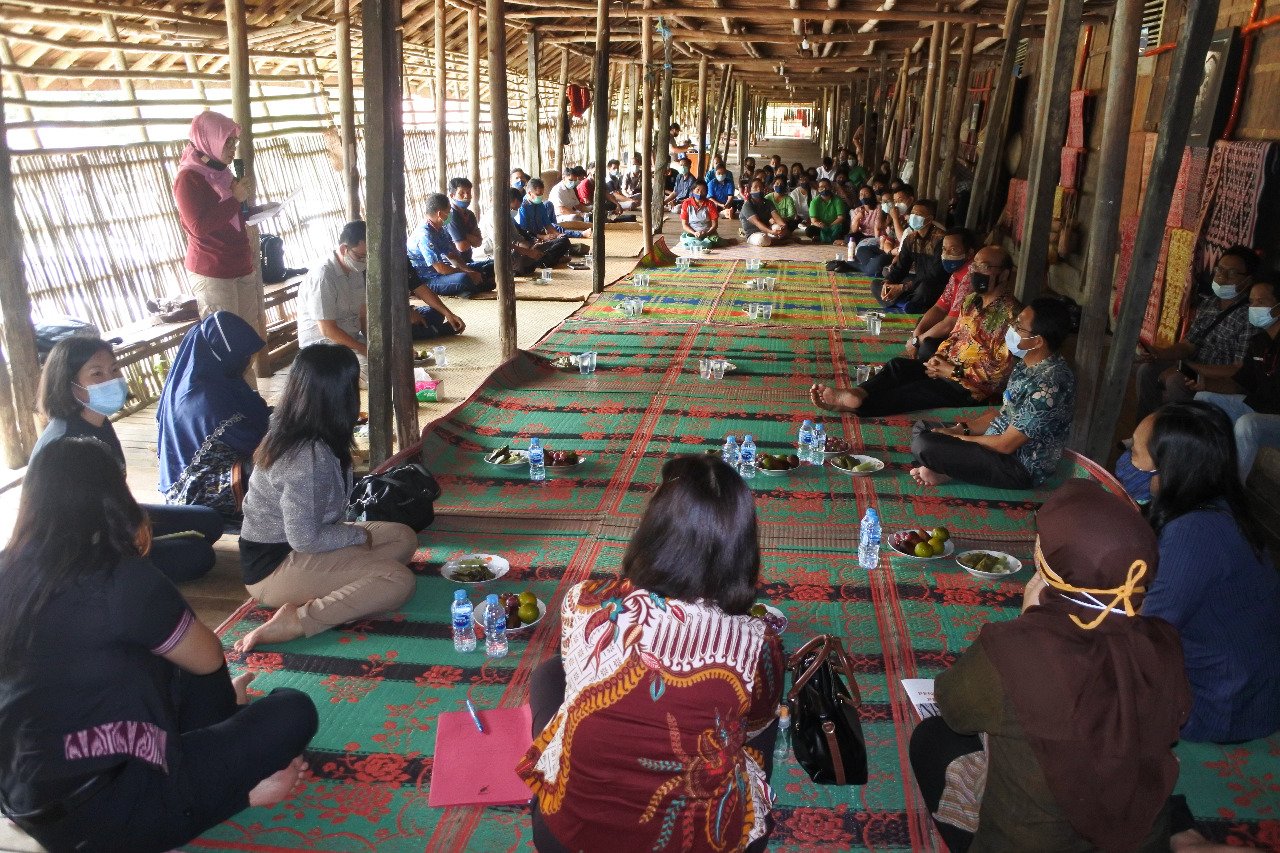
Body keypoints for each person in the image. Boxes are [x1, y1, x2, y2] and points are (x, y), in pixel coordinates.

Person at [0, 438, 318, 853]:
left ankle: (218, 736)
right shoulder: (122, 578)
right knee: (291, 708)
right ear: (115, 498)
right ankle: (237, 794)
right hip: (106, 816)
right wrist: (237, 779)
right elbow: (206, 659)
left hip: (25, 796)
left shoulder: (8, 570)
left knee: (162, 660)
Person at [517, 455, 784, 853]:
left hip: (567, 838)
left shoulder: (585, 601)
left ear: (652, 530)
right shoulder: (757, 643)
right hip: (702, 843)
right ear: (741, 549)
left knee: (549, 675)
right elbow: (754, 729)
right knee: (761, 724)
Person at [909, 478, 1190, 852]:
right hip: (1134, 837)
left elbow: (954, 707)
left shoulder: (1015, 650)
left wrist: (1028, 624)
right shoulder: (1163, 642)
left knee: (932, 738)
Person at [234, 344, 419, 652]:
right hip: (274, 566)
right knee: (398, 581)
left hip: (305, 543)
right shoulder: (305, 457)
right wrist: (354, 535)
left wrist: (351, 538)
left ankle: (344, 581)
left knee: (403, 537)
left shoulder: (307, 429)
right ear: (340, 397)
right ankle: (297, 620)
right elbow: (304, 539)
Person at [1127, 401, 1280, 743]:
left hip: (1221, 704)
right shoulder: (1216, 505)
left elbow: (1148, 631)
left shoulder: (1195, 531)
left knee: (1078, 675)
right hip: (1250, 691)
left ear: (1170, 468)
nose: (1128, 463)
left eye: (1135, 454)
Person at [33, 336, 224, 584]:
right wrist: (133, 536)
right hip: (83, 547)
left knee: (209, 520)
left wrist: (136, 524)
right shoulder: (65, 443)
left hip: (116, 517)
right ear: (69, 384)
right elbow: (77, 524)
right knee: (197, 554)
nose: (112, 380)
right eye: (97, 374)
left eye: (114, 369)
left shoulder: (98, 420)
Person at [811, 246, 1017, 417]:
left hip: (970, 388)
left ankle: (851, 406)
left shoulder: (1012, 316)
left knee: (914, 392)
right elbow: (955, 336)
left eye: (986, 267)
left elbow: (1000, 373)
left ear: (1004, 274)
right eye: (975, 265)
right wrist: (938, 360)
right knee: (898, 366)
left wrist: (953, 371)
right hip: (946, 367)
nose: (976, 271)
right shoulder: (972, 301)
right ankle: (857, 392)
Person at [909, 298, 1076, 489]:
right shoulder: (1027, 364)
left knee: (925, 445)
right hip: (994, 444)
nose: (1011, 329)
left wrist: (954, 439)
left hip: (1017, 466)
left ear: (1037, 341)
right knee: (923, 428)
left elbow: (1006, 445)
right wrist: (959, 429)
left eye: (1019, 326)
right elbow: (999, 415)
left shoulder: (1049, 383)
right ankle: (942, 469)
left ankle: (941, 468)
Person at [157, 311, 269, 521]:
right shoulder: (205, 398)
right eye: (244, 355)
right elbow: (251, 439)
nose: (249, 361)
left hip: (217, 465)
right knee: (283, 460)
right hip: (200, 490)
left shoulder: (212, 376)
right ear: (223, 353)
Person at [1135, 246, 1257, 419]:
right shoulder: (1209, 304)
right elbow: (1188, 345)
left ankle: (1174, 435)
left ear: (1247, 281)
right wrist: (1159, 353)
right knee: (1146, 370)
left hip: (1217, 377)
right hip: (1192, 366)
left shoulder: (1248, 316)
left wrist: (1190, 368)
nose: (1222, 277)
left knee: (1175, 381)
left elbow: (1237, 369)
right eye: (1219, 270)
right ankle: (1145, 429)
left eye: (1231, 273)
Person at [172, 110, 259, 330]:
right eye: (227, 144)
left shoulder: (223, 173)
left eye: (234, 143)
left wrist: (250, 210)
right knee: (226, 344)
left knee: (246, 339)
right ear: (209, 140)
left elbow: (232, 217)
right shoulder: (188, 179)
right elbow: (198, 227)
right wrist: (235, 199)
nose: (232, 150)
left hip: (240, 264)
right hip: (213, 271)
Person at [1195, 277, 1280, 481]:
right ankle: (1197, 473)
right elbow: (1240, 383)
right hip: (1261, 407)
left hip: (1274, 417)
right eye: (1251, 302)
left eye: (1261, 302)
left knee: (1247, 424)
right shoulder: (1259, 341)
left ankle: (1231, 496)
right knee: (1203, 399)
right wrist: (1205, 383)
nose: (1254, 307)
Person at [408, 193, 496, 298]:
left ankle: (471, 287)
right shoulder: (424, 235)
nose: (451, 214)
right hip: (428, 280)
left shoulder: (441, 229)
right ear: (440, 214)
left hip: (444, 273)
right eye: (449, 211)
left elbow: (453, 256)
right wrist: (468, 274)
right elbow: (440, 268)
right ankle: (475, 286)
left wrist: (469, 270)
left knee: (491, 265)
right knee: (463, 279)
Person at [875, 199, 947, 313]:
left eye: (918, 215)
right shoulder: (910, 238)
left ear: (929, 219)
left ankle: (904, 303)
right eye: (913, 213)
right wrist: (888, 282)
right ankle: (905, 304)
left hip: (933, 283)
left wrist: (903, 287)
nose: (914, 216)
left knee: (925, 289)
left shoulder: (941, 239)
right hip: (916, 280)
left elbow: (935, 275)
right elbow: (901, 267)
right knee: (877, 284)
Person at [507, 187, 572, 274]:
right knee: (523, 268)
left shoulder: (510, 217)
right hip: (514, 252)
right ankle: (545, 260)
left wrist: (534, 242)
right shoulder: (522, 208)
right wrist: (529, 250)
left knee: (564, 240)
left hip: (530, 243)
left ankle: (544, 258)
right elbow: (505, 245)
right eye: (514, 208)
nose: (515, 211)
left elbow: (521, 234)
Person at [446, 177, 496, 280]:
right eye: (462, 193)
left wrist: (464, 236)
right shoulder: (450, 216)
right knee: (466, 280)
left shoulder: (470, 214)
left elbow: (478, 243)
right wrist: (470, 237)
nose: (466, 196)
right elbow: (462, 247)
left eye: (468, 192)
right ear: (452, 195)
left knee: (495, 266)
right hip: (454, 264)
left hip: (468, 261)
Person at [518, 179, 589, 240]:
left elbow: (548, 225)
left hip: (540, 234)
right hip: (528, 238)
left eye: (542, 194)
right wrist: (543, 237)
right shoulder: (522, 207)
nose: (541, 197)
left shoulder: (540, 205)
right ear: (530, 193)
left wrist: (558, 235)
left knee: (562, 238)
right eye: (538, 194)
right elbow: (525, 232)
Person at [740, 178, 790, 247]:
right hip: (753, 234)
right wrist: (771, 232)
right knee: (762, 239)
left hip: (767, 231)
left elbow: (776, 216)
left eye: (761, 187)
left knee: (778, 228)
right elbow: (757, 222)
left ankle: (774, 239)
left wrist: (783, 227)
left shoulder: (768, 202)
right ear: (750, 190)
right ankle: (777, 241)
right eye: (755, 187)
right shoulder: (747, 205)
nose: (759, 189)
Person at [679, 179, 720, 249]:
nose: (700, 193)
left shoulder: (710, 204)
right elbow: (684, 225)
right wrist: (694, 233)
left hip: (708, 233)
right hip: (692, 233)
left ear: (706, 192)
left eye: (703, 191)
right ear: (693, 190)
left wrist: (706, 233)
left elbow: (715, 225)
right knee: (691, 241)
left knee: (714, 240)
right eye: (697, 190)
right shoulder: (686, 203)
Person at [806, 178, 849, 244]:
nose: (824, 189)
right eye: (821, 187)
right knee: (809, 230)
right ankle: (833, 238)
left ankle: (822, 238)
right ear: (818, 189)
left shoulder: (838, 200)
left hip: (835, 225)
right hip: (822, 226)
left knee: (845, 227)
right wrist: (820, 225)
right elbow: (813, 220)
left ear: (831, 188)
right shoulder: (814, 202)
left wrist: (830, 226)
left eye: (826, 186)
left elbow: (841, 218)